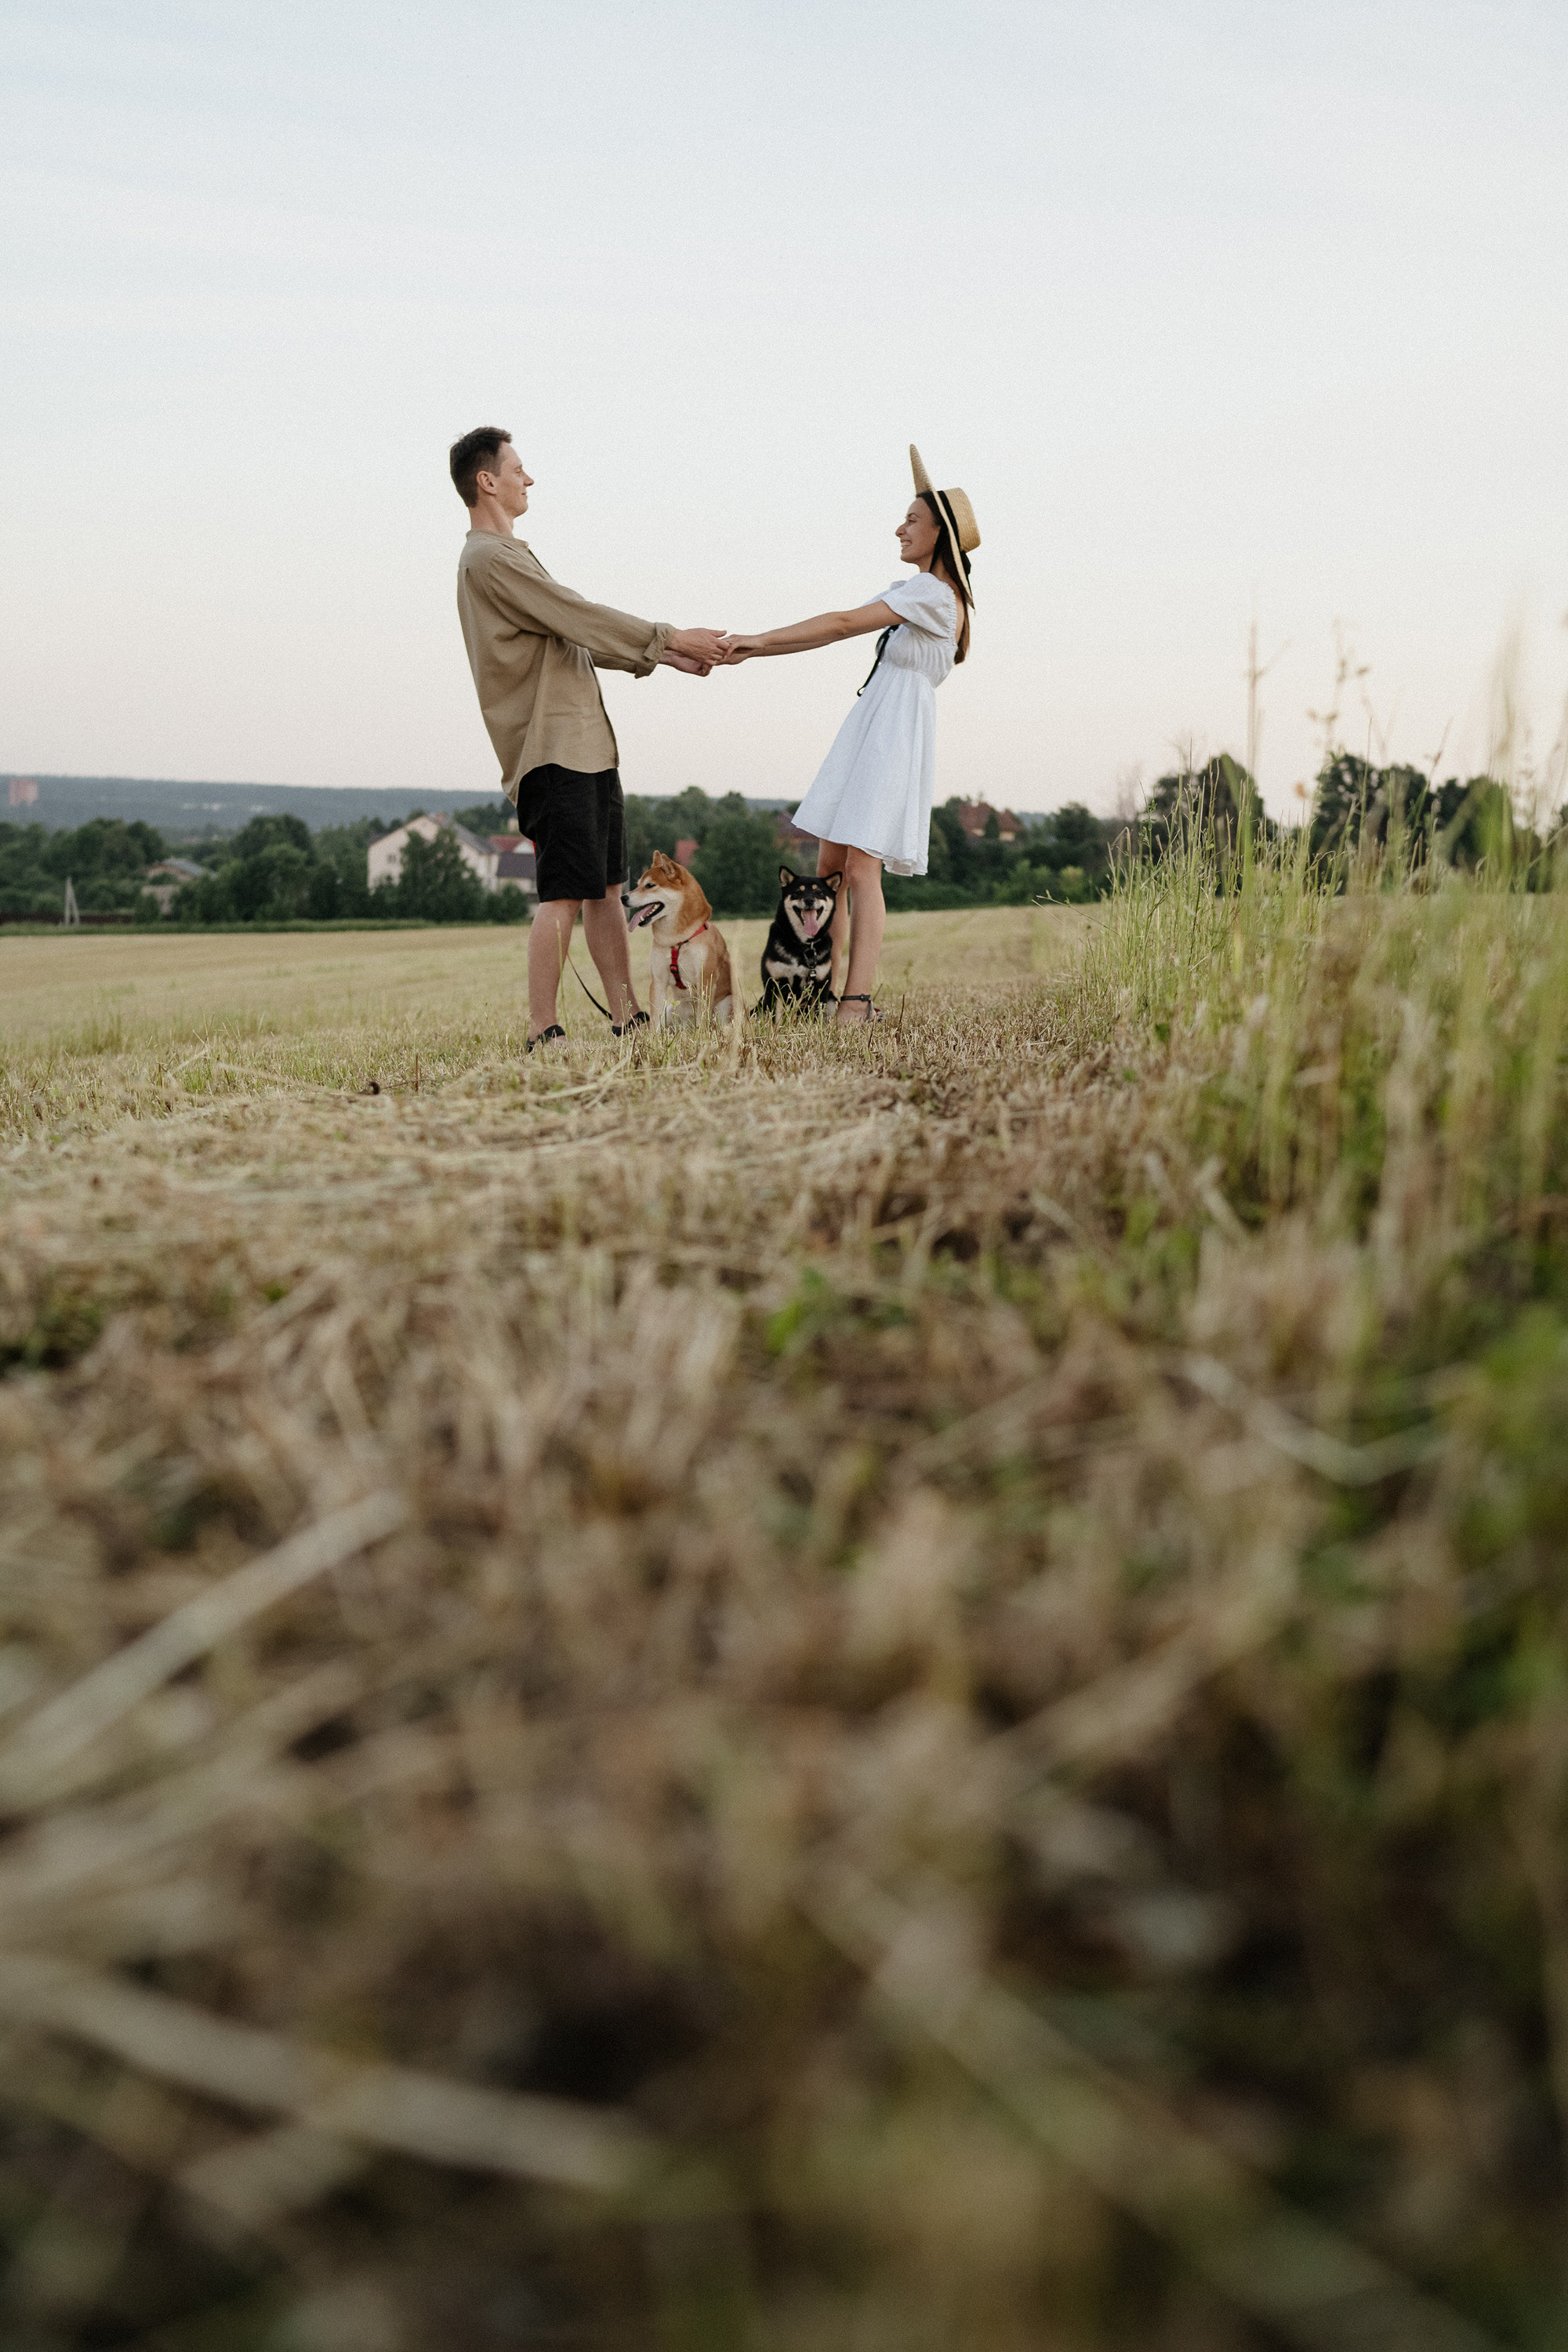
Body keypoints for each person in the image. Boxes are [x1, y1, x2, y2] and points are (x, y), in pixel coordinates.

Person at [450, 426, 728, 1048]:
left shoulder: (509, 556)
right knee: (565, 895)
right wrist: (669, 637)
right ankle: (543, 1030)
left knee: (606, 890)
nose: (529, 479)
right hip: (553, 752)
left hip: (585, 747)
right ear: (487, 481)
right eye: (517, 469)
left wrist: (664, 658)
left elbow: (567, 637)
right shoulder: (490, 558)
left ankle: (629, 1019)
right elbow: (575, 615)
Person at [717, 447, 978, 1023]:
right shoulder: (916, 592)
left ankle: (855, 1002)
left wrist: (757, 641)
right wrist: (756, 648)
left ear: (940, 533)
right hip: (875, 726)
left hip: (894, 733)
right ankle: (819, 994)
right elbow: (831, 628)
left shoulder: (933, 595)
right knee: (830, 865)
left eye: (911, 520)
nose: (899, 529)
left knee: (860, 869)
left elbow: (839, 625)